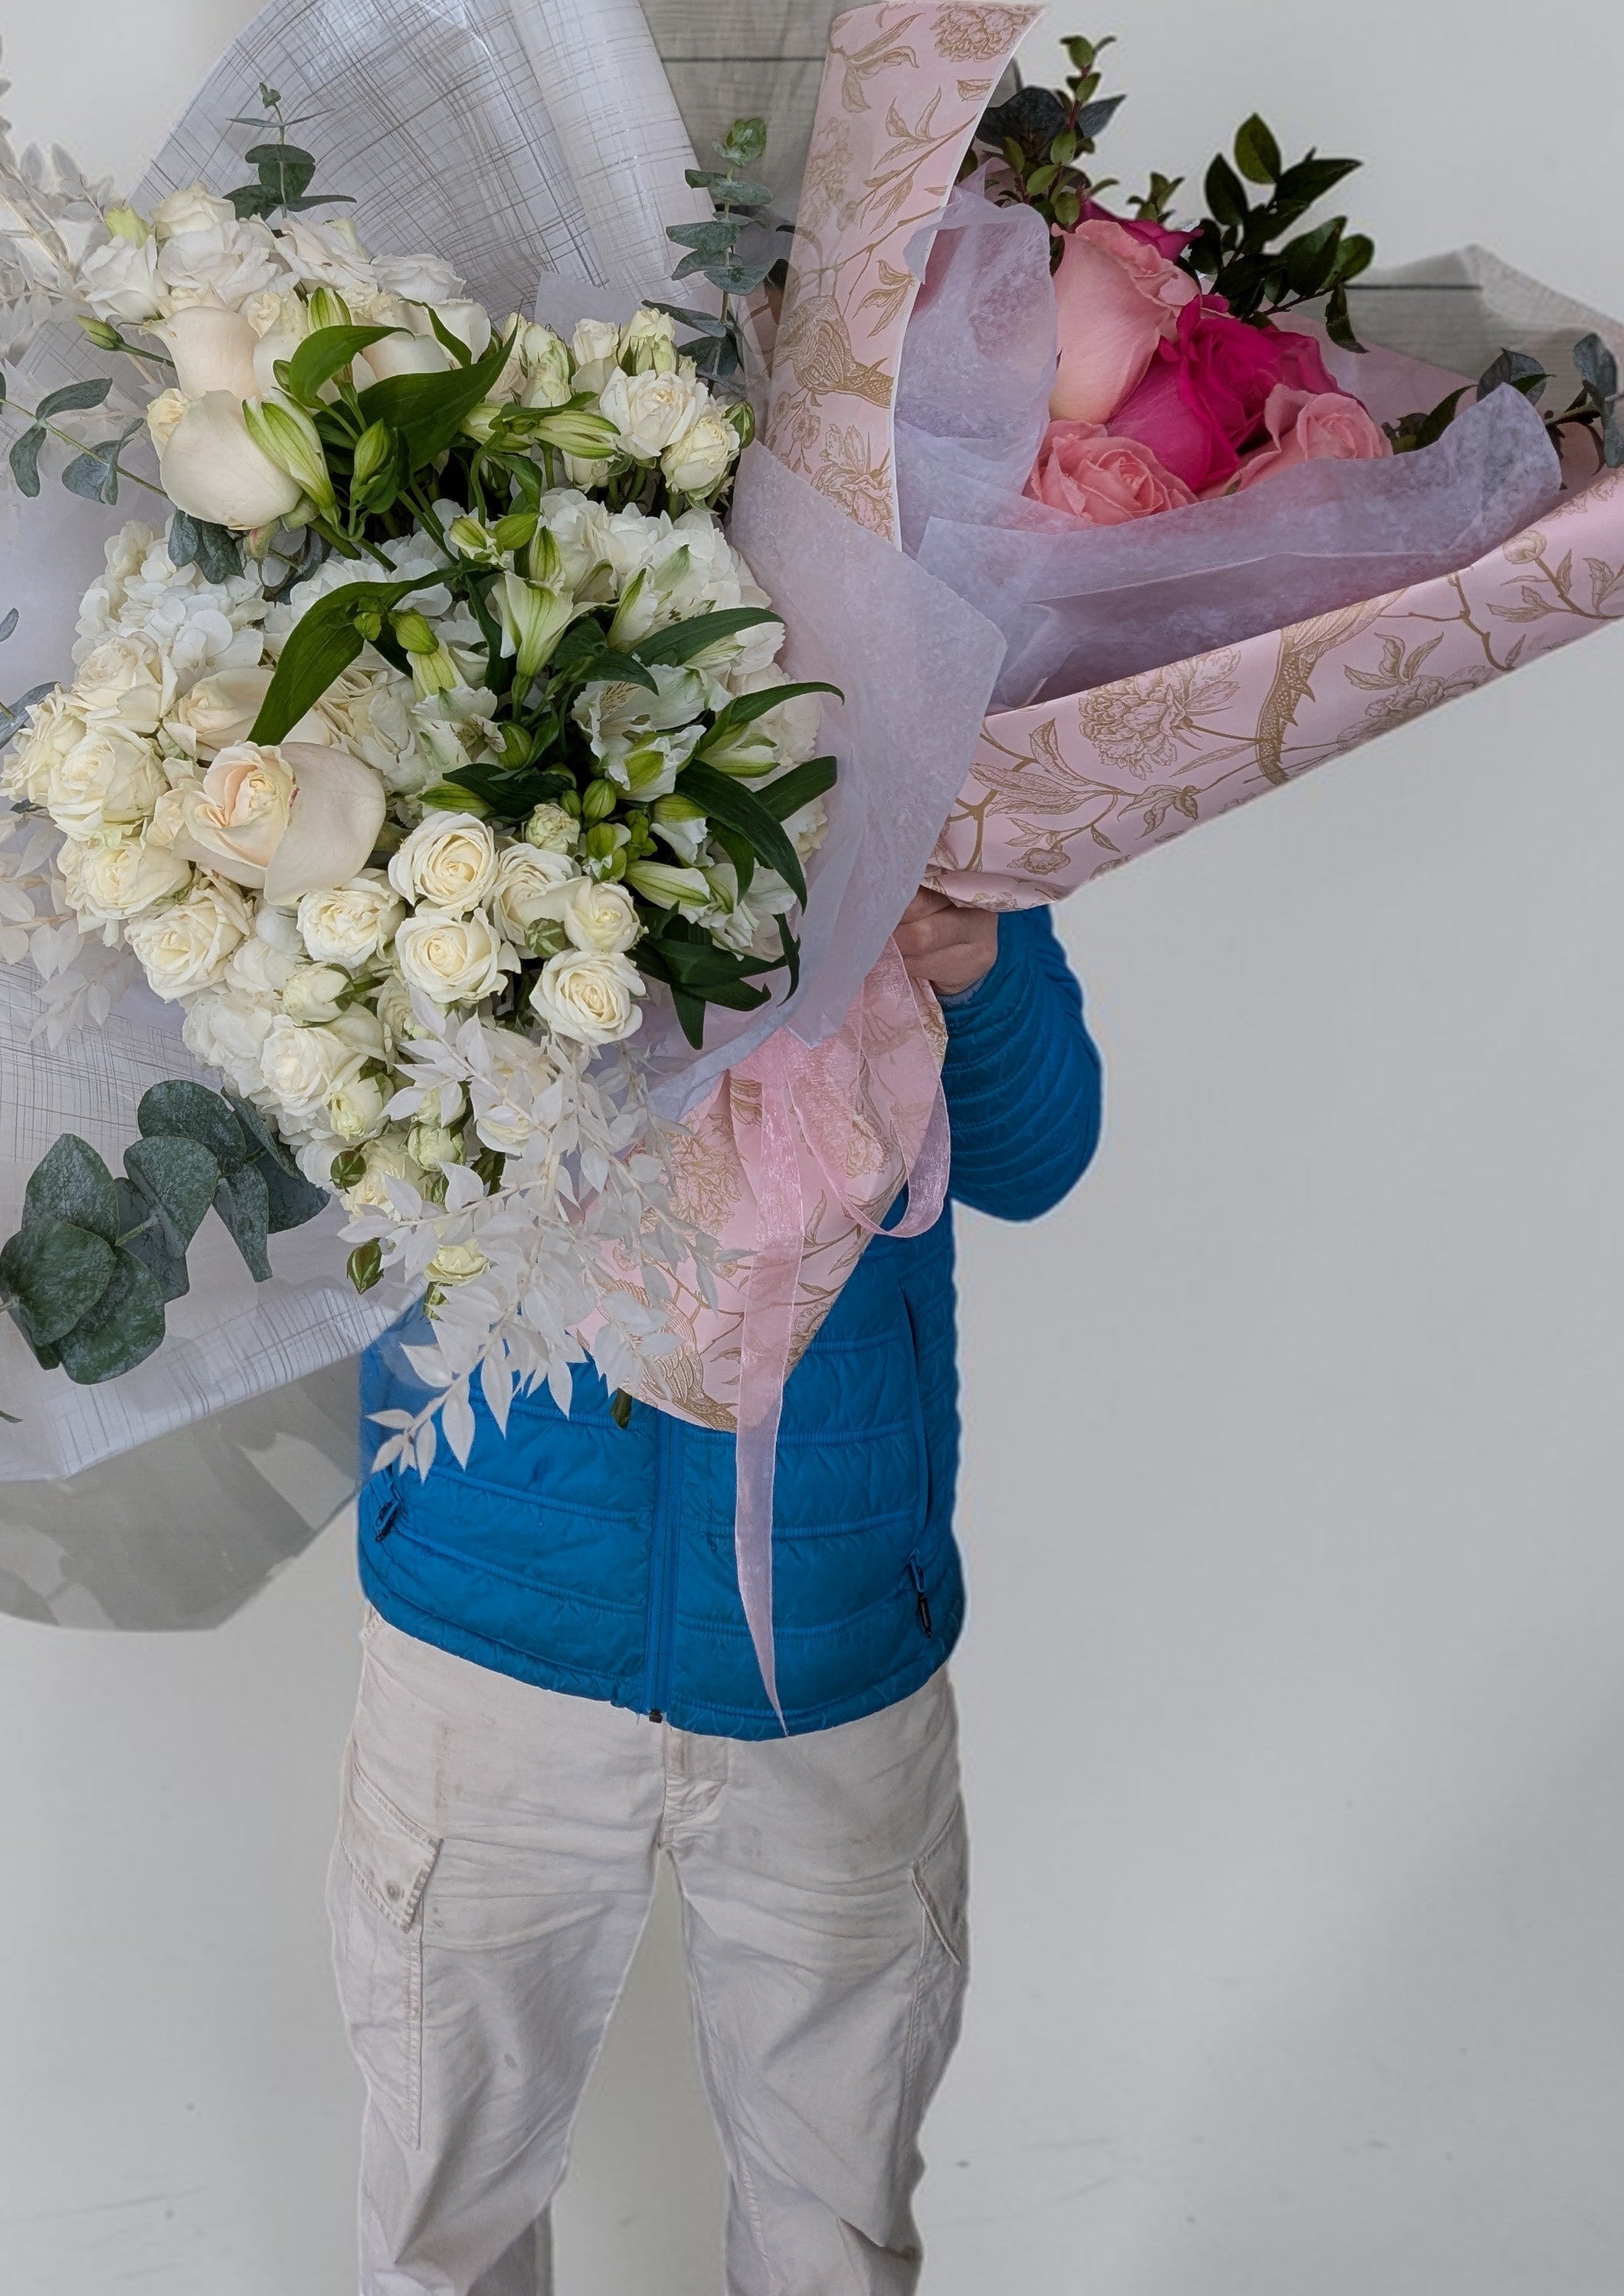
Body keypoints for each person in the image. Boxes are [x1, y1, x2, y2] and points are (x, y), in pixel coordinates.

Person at [328, 888, 1102, 2294]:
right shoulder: (415, 777)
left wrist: (980, 971)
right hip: (491, 1615)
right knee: (444, 2233)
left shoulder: (947, 785)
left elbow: (1034, 1156)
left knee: (833, 2233)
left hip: (829, 1633)